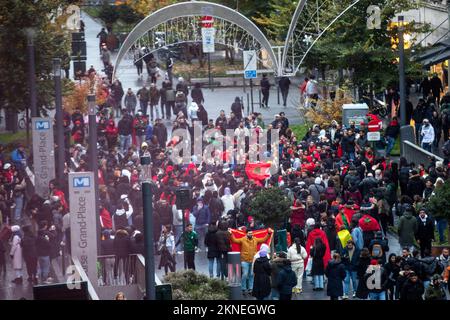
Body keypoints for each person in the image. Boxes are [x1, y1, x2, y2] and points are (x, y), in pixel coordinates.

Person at [229, 228, 272, 295]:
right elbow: (234, 240)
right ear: (246, 234)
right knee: (245, 274)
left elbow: (263, 239)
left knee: (251, 275)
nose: (251, 234)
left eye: (251, 233)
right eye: (249, 233)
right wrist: (231, 234)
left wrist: (268, 234)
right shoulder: (242, 239)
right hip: (244, 260)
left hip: (253, 260)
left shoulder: (255, 239)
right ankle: (243, 288)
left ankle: (250, 289)